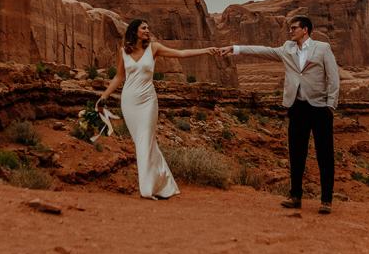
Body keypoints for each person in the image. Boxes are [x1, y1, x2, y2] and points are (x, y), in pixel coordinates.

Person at [219, 15, 339, 214]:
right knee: (296, 153)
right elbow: (263, 51)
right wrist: (235, 48)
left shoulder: (322, 48)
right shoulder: (287, 48)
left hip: (320, 108)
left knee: (324, 154)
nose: (290, 31)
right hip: (297, 107)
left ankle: (326, 200)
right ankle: (295, 196)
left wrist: (330, 106)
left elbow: (333, 77)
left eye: (294, 28)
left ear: (305, 30)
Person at [96, 19, 217, 200]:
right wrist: (103, 96)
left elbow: (181, 53)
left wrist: (206, 50)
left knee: (145, 140)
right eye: (144, 28)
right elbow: (119, 77)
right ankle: (162, 185)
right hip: (129, 101)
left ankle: (146, 190)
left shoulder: (154, 48)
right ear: (134, 31)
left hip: (148, 101)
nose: (147, 30)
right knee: (144, 143)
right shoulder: (123, 52)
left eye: (148, 28)